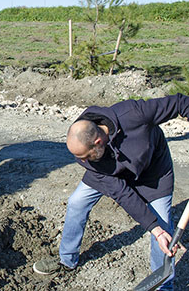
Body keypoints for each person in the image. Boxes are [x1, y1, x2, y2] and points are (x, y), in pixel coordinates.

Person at [33, 94, 189, 290]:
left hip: (152, 171)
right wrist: (153, 228)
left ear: (98, 141)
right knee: (77, 202)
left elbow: (180, 103)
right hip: (107, 171)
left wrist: (159, 230)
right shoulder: (89, 159)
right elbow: (123, 194)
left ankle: (164, 286)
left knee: (164, 224)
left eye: (83, 156)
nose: (81, 161)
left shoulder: (134, 114)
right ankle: (67, 259)